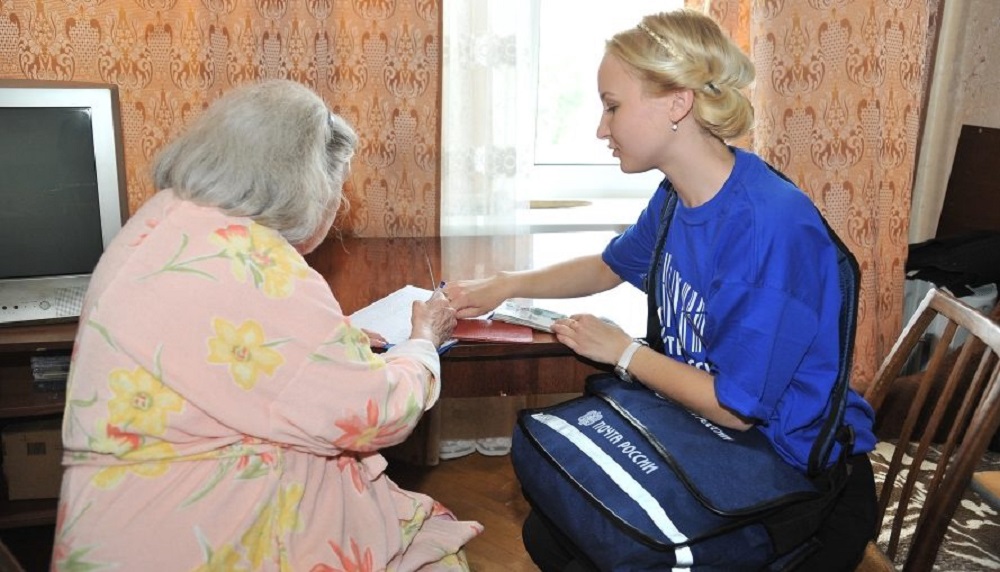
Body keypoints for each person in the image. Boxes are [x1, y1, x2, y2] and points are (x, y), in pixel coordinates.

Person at [444, 9, 877, 572]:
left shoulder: (768, 230)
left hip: (792, 478)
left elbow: (734, 408)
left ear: (677, 103)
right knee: (553, 535)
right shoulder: (678, 195)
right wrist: (507, 285)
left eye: (613, 106)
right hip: (715, 440)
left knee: (581, 548)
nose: (602, 128)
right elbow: (608, 265)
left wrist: (624, 352)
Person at [52, 79, 481, 571]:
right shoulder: (256, 261)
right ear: (307, 184)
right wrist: (423, 341)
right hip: (195, 532)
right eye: (336, 190)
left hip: (115, 517)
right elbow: (378, 415)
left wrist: (325, 342)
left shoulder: (165, 217)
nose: (336, 206)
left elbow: (210, 338)